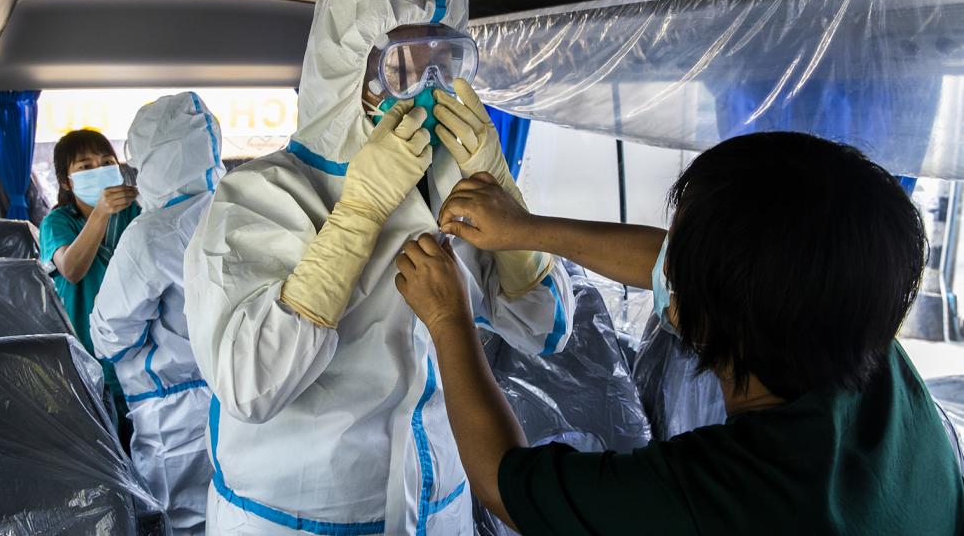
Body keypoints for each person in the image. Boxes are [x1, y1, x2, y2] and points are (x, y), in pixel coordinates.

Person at [184, 0, 575, 535]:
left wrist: (505, 196)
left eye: (444, 62)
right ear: (349, 72)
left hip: (437, 503)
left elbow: (545, 333)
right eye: (402, 65)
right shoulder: (258, 196)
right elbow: (249, 387)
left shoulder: (462, 187)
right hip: (297, 518)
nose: (428, 86)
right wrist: (358, 215)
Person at [397, 132, 964, 535]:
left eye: (680, 256)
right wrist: (525, 230)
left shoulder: (720, 495)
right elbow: (684, 265)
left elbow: (502, 482)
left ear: (711, 314)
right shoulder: (852, 327)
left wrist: (448, 320)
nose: (665, 262)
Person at [91, 93, 224, 535]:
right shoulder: (239, 210)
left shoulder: (149, 234)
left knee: (178, 524)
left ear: (147, 158)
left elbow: (109, 337)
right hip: (238, 403)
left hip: (171, 417)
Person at [40, 128, 140, 444]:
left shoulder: (135, 213)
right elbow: (72, 268)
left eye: (107, 162)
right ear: (67, 181)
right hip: (86, 355)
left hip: (135, 348)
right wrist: (100, 212)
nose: (98, 171)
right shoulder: (58, 222)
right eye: (85, 166)